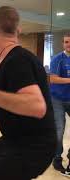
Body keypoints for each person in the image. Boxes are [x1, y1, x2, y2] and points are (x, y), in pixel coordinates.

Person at [0, 6, 56, 180]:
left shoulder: (19, 59)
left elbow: (37, 106)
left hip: (34, 146)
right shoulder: (3, 63)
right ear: (18, 30)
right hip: (13, 139)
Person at [49, 33, 70, 174]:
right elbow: (53, 79)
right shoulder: (58, 59)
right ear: (63, 43)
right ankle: (56, 158)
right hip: (57, 99)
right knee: (59, 129)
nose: (68, 44)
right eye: (66, 42)